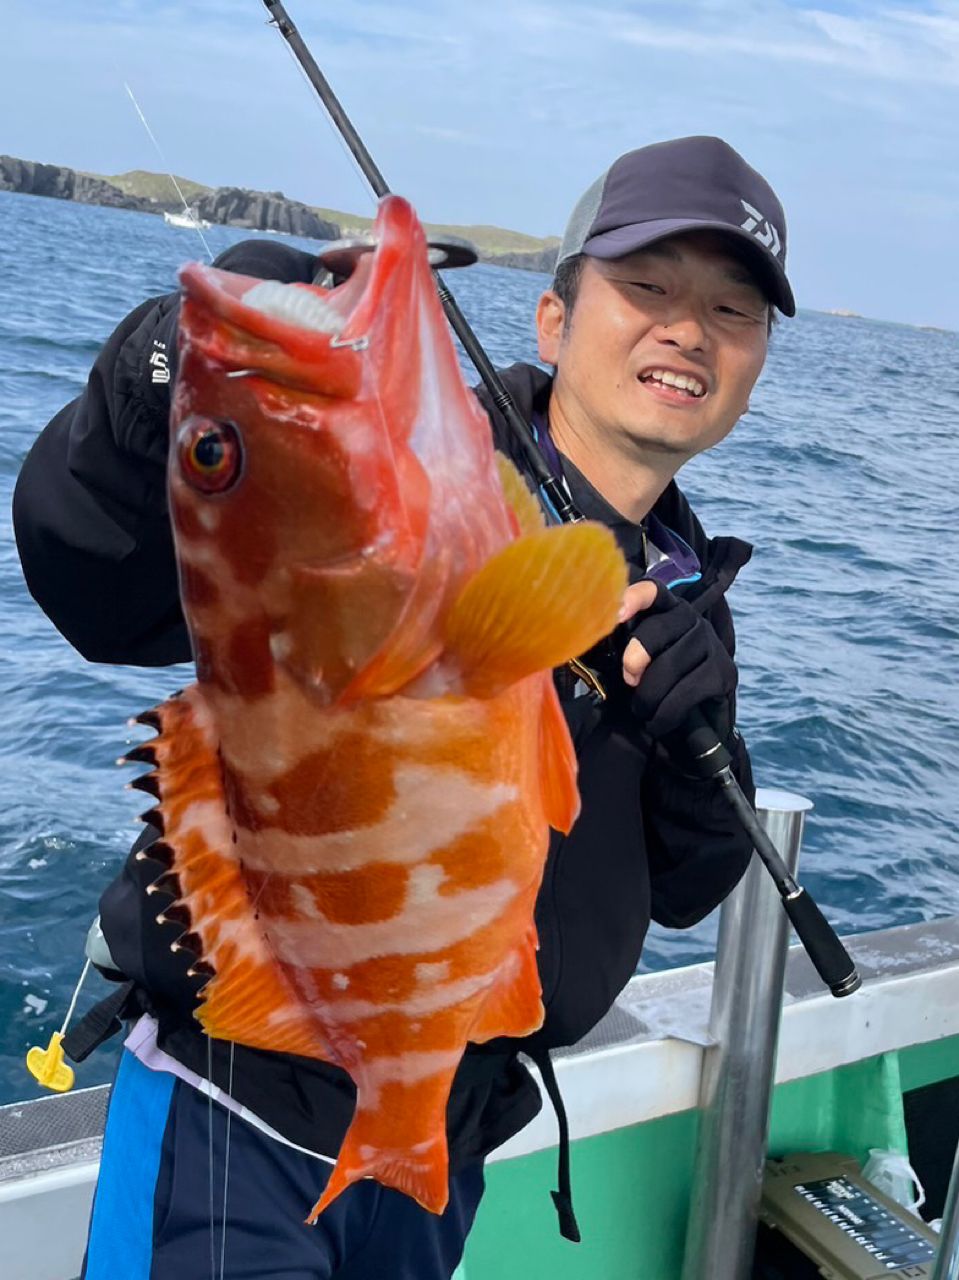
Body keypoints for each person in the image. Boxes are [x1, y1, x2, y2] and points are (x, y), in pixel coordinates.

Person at [13, 134, 795, 1279]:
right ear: (550, 318)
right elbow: (95, 583)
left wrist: (698, 746)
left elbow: (678, 886)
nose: (686, 327)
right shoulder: (389, 474)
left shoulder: (681, 588)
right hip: (244, 1100)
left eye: (730, 308)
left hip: (437, 1124)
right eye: (647, 286)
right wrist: (168, 378)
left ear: (756, 360)